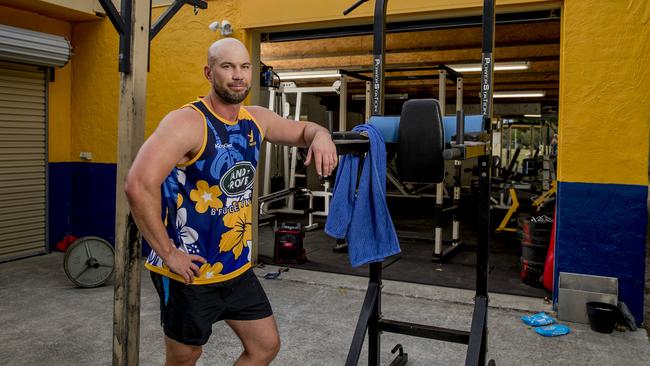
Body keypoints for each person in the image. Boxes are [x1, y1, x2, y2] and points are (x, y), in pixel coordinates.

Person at [124, 38, 337, 366]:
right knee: (186, 357)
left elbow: (306, 129)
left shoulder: (256, 119)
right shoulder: (187, 122)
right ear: (209, 73)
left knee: (265, 346)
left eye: (244, 67)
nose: (238, 75)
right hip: (188, 274)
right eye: (227, 66)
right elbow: (138, 185)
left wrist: (321, 136)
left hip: (235, 267)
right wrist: (169, 253)